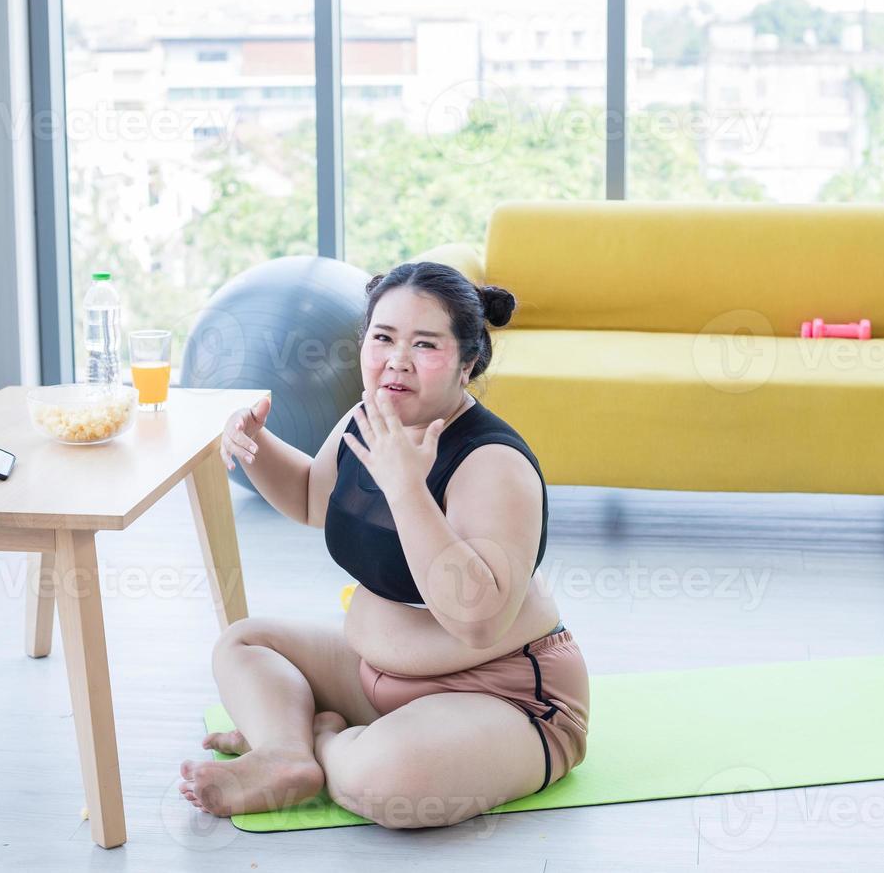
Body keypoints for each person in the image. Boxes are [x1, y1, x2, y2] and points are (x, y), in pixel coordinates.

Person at [178, 261, 589, 829]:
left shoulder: (493, 464)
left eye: (425, 344)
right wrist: (255, 444)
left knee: (387, 783)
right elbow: (310, 499)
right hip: (381, 680)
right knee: (243, 643)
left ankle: (319, 736)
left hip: (505, 697)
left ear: (467, 363)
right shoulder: (367, 419)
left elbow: (476, 620)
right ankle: (286, 756)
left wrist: (406, 488)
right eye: (383, 338)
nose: (397, 360)